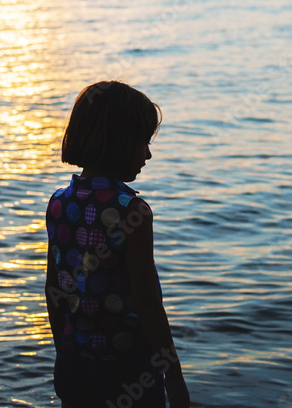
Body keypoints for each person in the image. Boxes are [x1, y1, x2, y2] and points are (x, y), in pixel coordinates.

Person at [45, 81, 190, 408]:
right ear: (120, 142)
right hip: (128, 369)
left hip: (75, 362)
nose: (148, 154)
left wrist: (61, 353)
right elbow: (148, 306)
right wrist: (174, 377)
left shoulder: (57, 204)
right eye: (143, 142)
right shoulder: (132, 212)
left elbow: (54, 290)